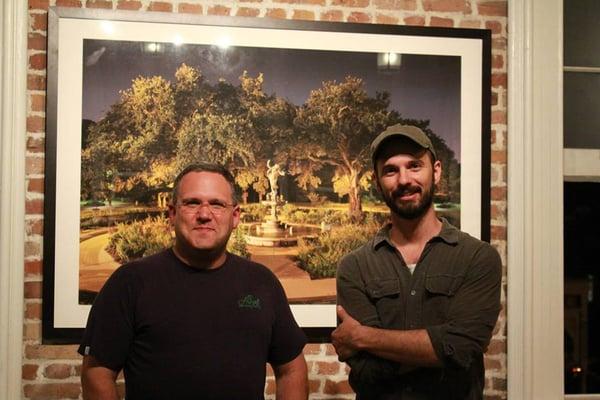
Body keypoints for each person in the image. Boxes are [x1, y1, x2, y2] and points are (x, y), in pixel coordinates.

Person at [79, 163, 308, 400]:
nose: (205, 214)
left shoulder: (262, 282)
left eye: (217, 204)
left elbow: (292, 368)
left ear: (235, 216)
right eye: (192, 203)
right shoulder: (130, 282)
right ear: (172, 213)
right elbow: (97, 372)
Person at [332, 124, 502, 399]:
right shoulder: (355, 267)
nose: (403, 180)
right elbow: (367, 371)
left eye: (414, 166)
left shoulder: (477, 257)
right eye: (390, 170)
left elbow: (463, 346)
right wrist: (437, 350)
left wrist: (363, 337)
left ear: (435, 171)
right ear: (377, 182)